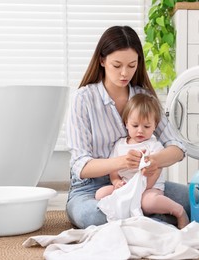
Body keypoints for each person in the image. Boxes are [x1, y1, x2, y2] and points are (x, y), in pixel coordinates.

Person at [65, 25, 189, 229]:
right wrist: (123, 162)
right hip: (92, 188)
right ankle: (153, 223)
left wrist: (154, 161)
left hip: (141, 185)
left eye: (132, 65)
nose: (125, 73)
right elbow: (81, 166)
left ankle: (139, 221)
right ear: (102, 60)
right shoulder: (84, 99)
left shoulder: (144, 98)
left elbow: (177, 147)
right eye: (117, 65)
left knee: (195, 199)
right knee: (93, 218)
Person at [95, 93, 189, 229]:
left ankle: (179, 212)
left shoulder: (153, 146)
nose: (140, 131)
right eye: (135, 125)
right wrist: (116, 182)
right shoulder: (120, 145)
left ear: (155, 126)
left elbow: (156, 170)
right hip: (127, 185)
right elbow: (114, 169)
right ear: (126, 123)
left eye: (146, 127)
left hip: (149, 187)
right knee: (101, 194)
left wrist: (141, 190)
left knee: (148, 203)